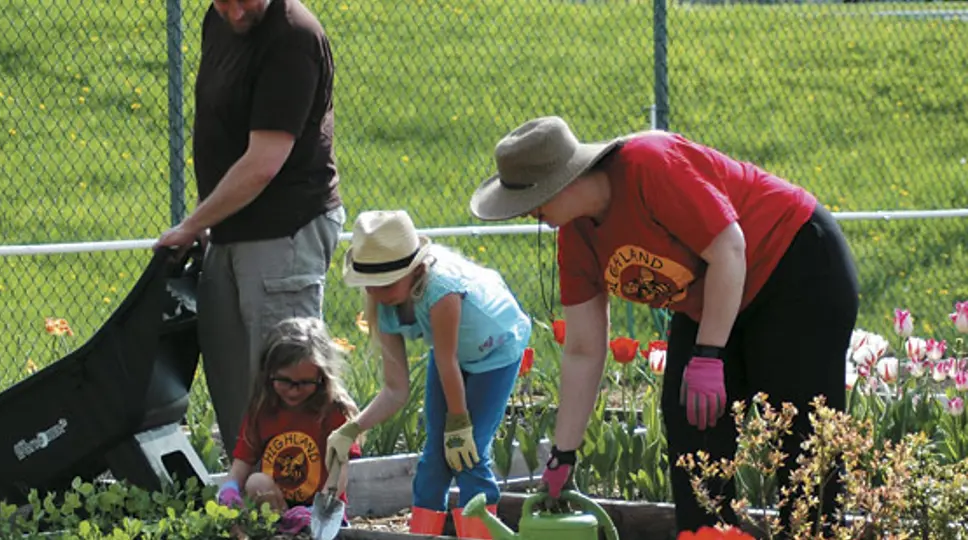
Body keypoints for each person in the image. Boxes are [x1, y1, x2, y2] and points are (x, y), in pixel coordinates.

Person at [468, 116, 859, 536]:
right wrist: (563, 454)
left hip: (794, 265)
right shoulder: (576, 238)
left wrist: (708, 355)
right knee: (691, 426)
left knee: (802, 436)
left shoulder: (649, 165)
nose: (530, 214)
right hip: (713, 297)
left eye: (529, 201)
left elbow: (729, 248)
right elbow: (583, 348)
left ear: (559, 182)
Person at [153, 0, 344, 457]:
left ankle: (296, 497)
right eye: (224, 1)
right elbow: (224, 128)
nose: (236, 13)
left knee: (288, 384)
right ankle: (250, 491)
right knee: (234, 383)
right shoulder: (217, 22)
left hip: (284, 233)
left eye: (245, 0)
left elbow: (263, 163)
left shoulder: (293, 37)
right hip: (229, 231)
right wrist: (208, 218)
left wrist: (193, 223)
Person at [321, 210, 532, 539]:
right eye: (370, 284)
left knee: (469, 454)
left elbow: (447, 360)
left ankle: (481, 534)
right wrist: (351, 428)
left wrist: (459, 423)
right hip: (452, 357)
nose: (376, 291)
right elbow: (396, 390)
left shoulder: (441, 290)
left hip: (496, 353)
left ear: (416, 270)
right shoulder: (384, 304)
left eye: (386, 282)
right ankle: (421, 533)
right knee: (434, 458)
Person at [216, 317, 362, 534]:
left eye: (304, 383)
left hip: (323, 513)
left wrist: (320, 510)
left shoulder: (332, 411)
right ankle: (281, 528)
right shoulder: (263, 410)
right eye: (285, 381)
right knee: (256, 482)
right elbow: (242, 463)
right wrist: (229, 490)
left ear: (322, 378)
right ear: (268, 373)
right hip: (278, 508)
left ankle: (305, 527)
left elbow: (339, 473)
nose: (294, 390)